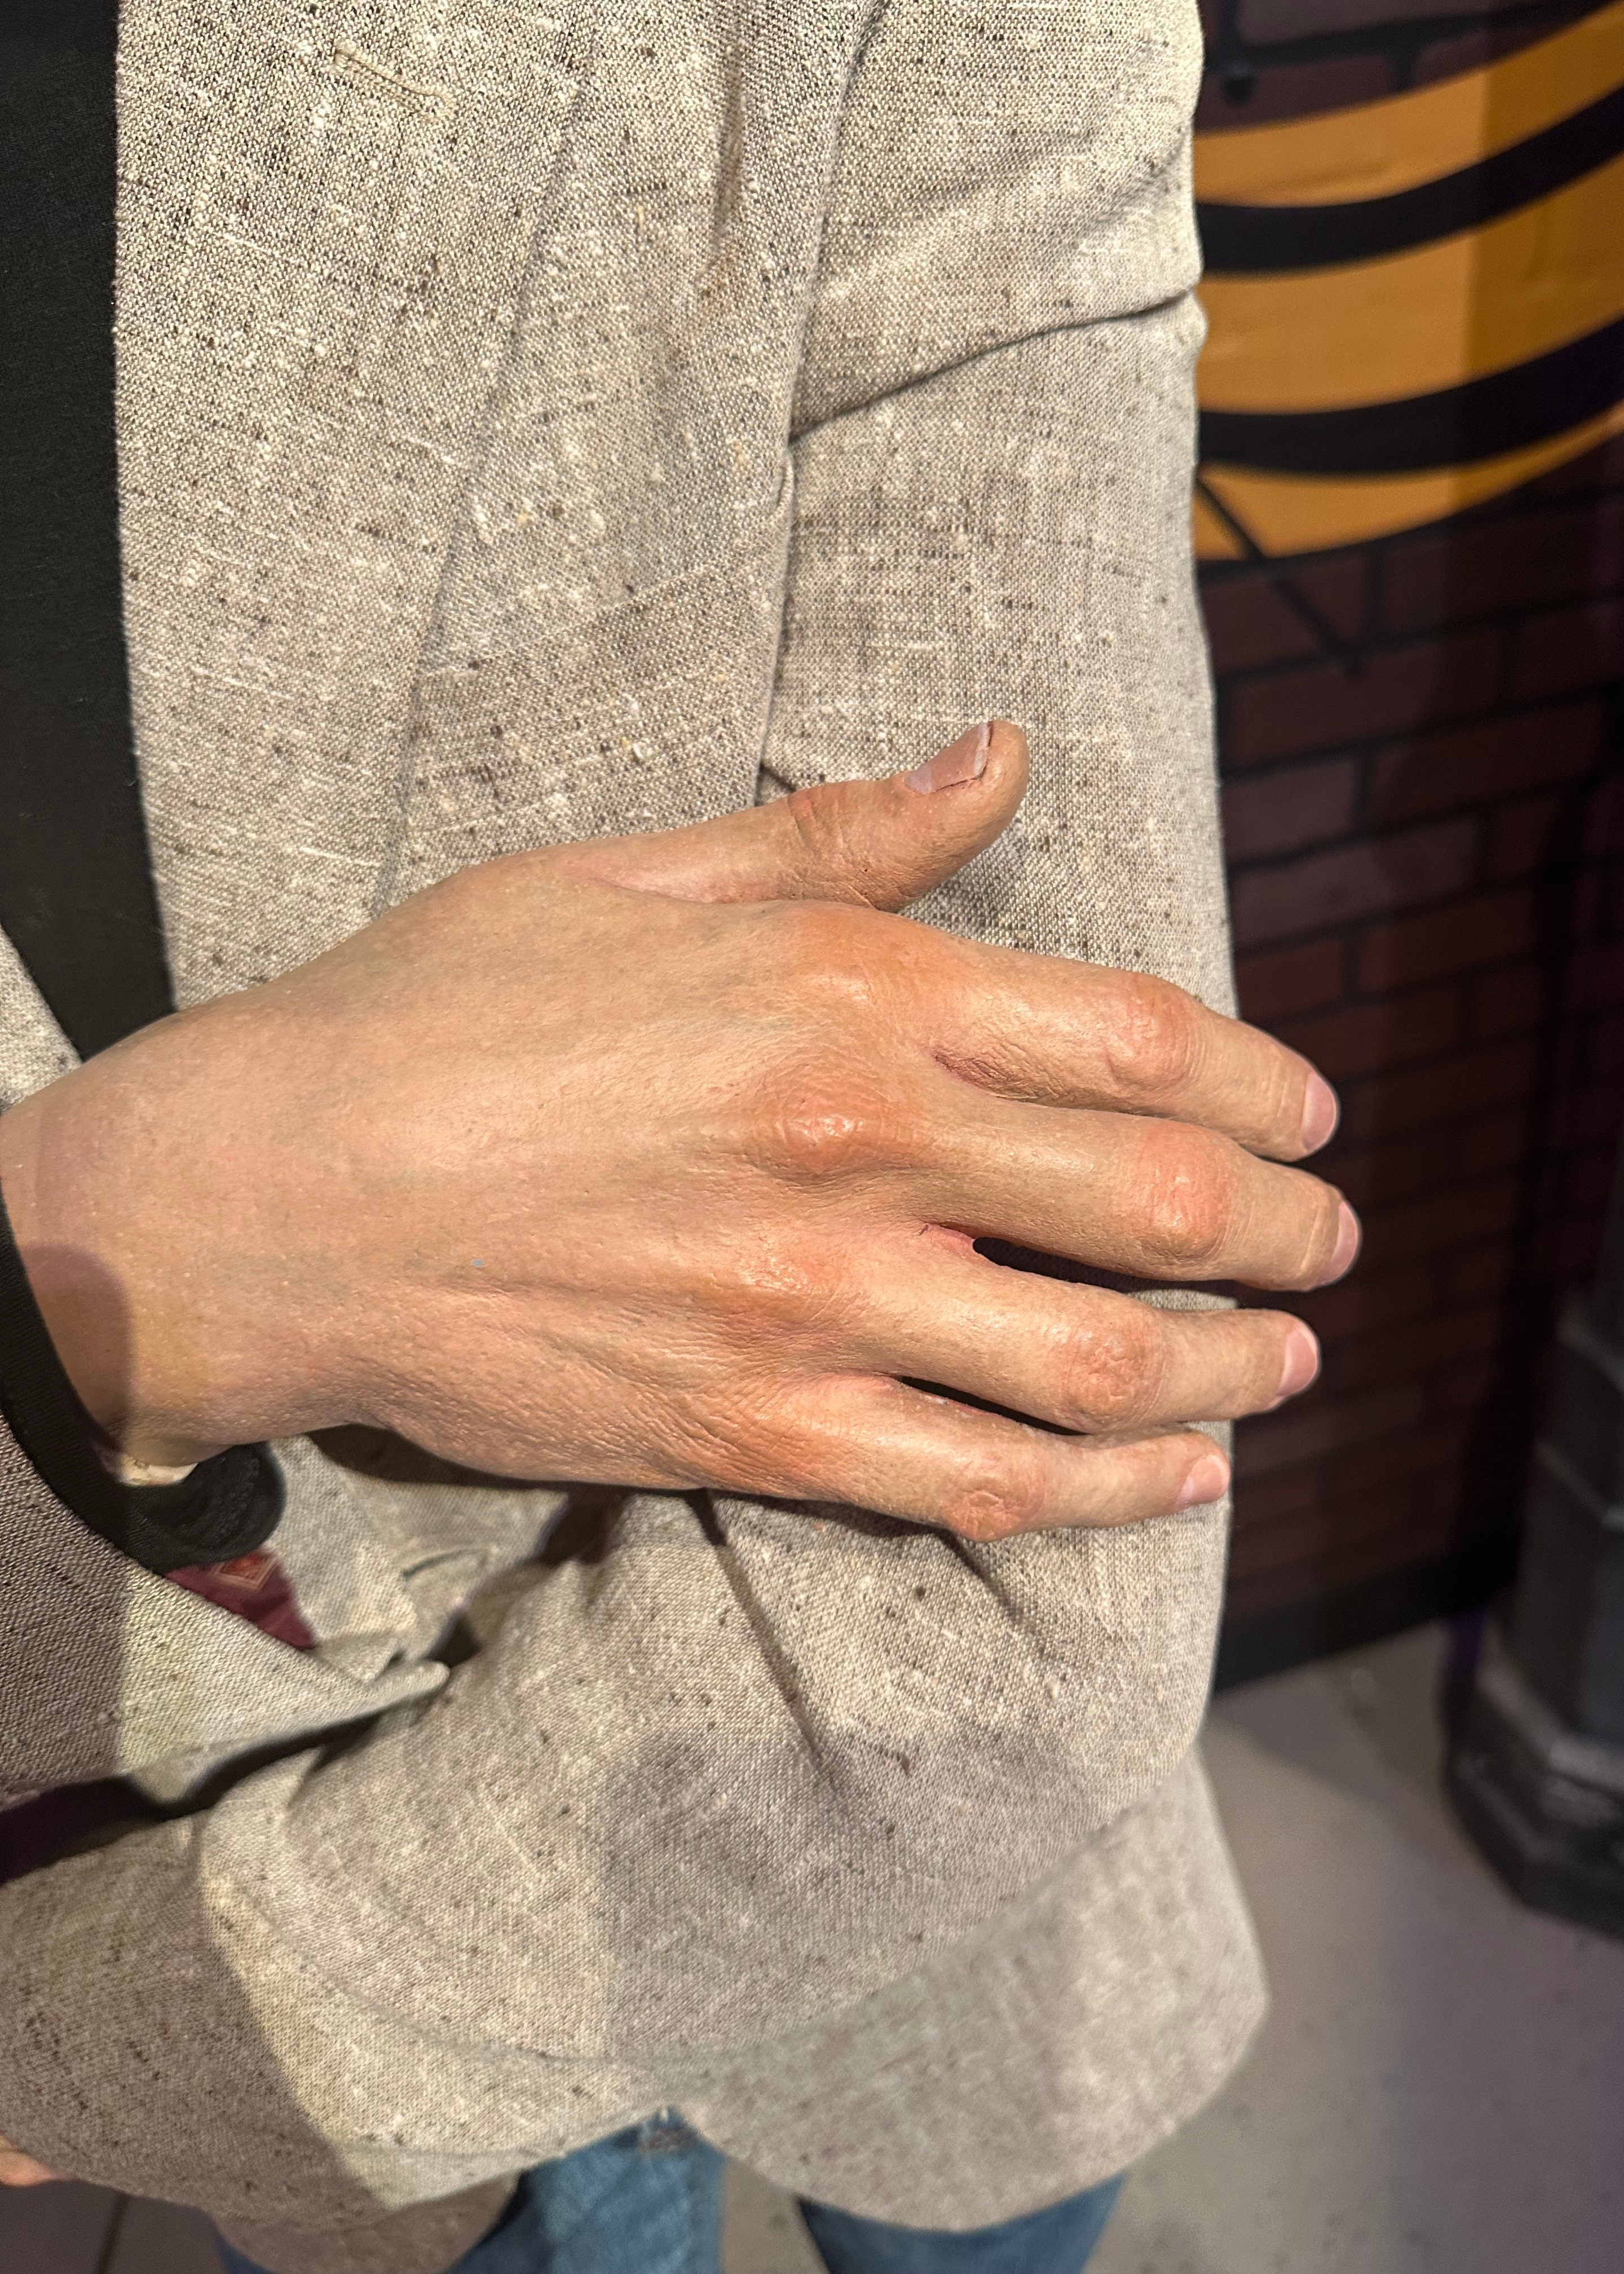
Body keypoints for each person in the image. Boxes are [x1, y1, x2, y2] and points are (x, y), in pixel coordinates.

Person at [0, 3, 1355, 2270]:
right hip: (228, 1864)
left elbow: (1034, 1583)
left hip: (879, 1906)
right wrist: (122, 1243)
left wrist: (45, 2043)